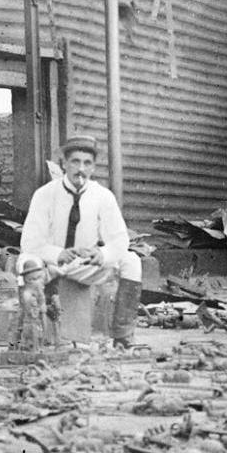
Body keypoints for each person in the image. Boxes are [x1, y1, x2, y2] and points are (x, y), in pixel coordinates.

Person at [19, 134, 143, 348]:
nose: (81, 169)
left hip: (83, 266)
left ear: (94, 167)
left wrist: (102, 254)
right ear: (64, 163)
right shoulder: (45, 194)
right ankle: (36, 333)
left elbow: (120, 240)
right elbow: (29, 241)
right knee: (26, 260)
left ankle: (124, 335)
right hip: (50, 266)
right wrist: (57, 253)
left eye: (87, 163)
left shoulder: (103, 196)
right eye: (75, 161)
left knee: (131, 260)